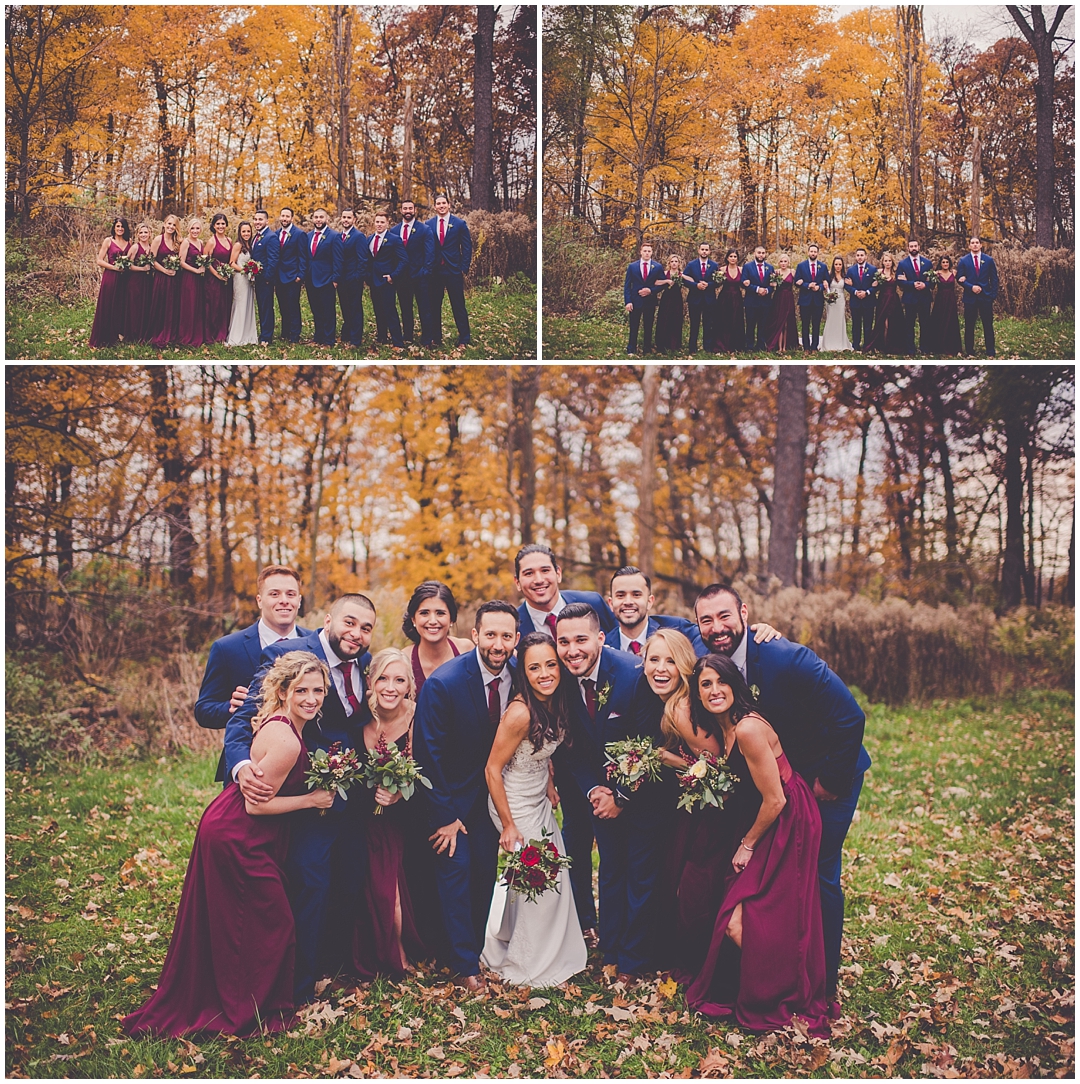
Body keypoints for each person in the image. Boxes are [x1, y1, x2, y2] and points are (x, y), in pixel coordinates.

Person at [123, 651, 336, 1037]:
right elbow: (257, 806)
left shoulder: (283, 721)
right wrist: (311, 799)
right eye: (302, 689)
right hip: (239, 834)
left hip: (236, 826)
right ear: (285, 691)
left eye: (318, 690)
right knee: (274, 921)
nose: (311, 697)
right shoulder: (286, 738)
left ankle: (241, 997)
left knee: (244, 920)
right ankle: (244, 1007)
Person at [693, 583, 869, 1011]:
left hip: (827, 777)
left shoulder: (785, 657)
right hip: (779, 781)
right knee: (782, 880)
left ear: (745, 613)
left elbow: (851, 717)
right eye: (706, 620)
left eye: (725, 616)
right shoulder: (710, 659)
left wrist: (830, 780)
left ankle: (822, 986)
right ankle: (778, 970)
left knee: (819, 874)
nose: (717, 627)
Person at [227, 594, 376, 1003]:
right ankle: (295, 987)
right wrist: (241, 768)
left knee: (348, 883)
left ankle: (333, 966)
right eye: (349, 622)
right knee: (309, 885)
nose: (356, 633)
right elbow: (244, 721)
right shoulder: (288, 653)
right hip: (303, 797)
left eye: (366, 628)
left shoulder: (365, 662)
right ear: (328, 619)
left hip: (352, 798)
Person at [684, 653, 830, 1036]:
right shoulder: (726, 729)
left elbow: (776, 799)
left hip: (787, 820)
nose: (715, 690)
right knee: (747, 916)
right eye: (705, 685)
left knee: (751, 915)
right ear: (697, 695)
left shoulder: (747, 728)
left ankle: (786, 993)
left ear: (735, 684)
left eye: (721, 681)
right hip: (767, 817)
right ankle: (769, 986)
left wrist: (747, 844)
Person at [513, 544, 618, 948]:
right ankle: (583, 922)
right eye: (528, 573)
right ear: (518, 581)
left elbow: (621, 641)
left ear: (558, 572)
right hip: (561, 748)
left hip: (608, 736)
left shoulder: (590, 604)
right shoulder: (517, 623)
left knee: (611, 841)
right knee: (572, 838)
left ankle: (612, 924)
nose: (538, 579)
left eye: (545, 570)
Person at [412, 600, 519, 992]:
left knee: (483, 877)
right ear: (474, 636)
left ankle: (473, 948)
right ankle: (462, 965)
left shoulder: (521, 675)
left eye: (506, 636)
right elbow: (427, 754)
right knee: (455, 876)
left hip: (493, 798)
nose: (498, 643)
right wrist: (443, 814)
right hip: (451, 799)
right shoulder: (445, 683)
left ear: (516, 639)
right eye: (490, 634)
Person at [555, 603, 663, 984]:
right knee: (612, 872)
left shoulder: (633, 675)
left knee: (641, 876)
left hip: (646, 796)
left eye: (581, 639)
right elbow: (571, 747)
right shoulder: (563, 680)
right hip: (601, 796)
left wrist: (622, 796)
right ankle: (611, 949)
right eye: (564, 641)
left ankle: (635, 961)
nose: (572, 650)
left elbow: (651, 743)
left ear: (601, 638)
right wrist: (594, 792)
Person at [481, 631, 588, 987]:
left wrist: (550, 783)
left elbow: (538, 754)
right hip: (512, 804)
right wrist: (509, 825)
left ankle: (538, 947)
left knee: (543, 879)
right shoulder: (520, 713)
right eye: (534, 667)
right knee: (543, 880)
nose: (544, 673)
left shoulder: (555, 700)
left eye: (550, 664)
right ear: (523, 673)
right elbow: (492, 769)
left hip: (537, 798)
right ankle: (527, 963)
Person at [641, 629, 730, 979]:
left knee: (693, 886)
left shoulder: (681, 707)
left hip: (710, 813)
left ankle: (697, 964)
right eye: (653, 660)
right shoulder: (674, 701)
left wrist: (665, 757)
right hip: (690, 809)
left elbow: (718, 765)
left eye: (670, 661)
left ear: (684, 667)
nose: (661, 669)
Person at [353, 648, 431, 978]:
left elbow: (428, 770)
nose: (390, 687)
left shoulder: (417, 716)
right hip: (361, 819)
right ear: (370, 682)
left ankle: (400, 955)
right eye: (383, 678)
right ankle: (368, 951)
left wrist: (399, 792)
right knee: (364, 889)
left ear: (409, 686)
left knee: (392, 890)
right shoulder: (358, 719)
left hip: (405, 821)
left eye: (399, 680)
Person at [195, 564, 305, 782]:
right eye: (274, 594)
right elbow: (203, 710)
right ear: (259, 600)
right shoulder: (227, 648)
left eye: (290, 594)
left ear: (299, 600)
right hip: (248, 765)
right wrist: (229, 707)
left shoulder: (315, 644)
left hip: (304, 765)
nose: (284, 600)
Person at [402, 580, 474, 696]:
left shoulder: (466, 650)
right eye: (424, 613)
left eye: (440, 613)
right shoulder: (404, 660)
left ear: (452, 619)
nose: (433, 621)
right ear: (413, 619)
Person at [430, 193, 473, 347]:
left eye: (444, 203)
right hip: (435, 271)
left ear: (448, 205)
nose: (441, 206)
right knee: (434, 305)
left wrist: (464, 267)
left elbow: (467, 247)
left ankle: (464, 338)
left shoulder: (459, 224)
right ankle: (436, 338)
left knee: (458, 305)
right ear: (434, 206)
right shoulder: (428, 224)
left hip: (453, 270)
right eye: (438, 204)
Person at [392, 200, 436, 346]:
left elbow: (430, 253)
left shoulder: (424, 229)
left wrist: (425, 272)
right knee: (405, 308)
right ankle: (408, 335)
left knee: (424, 308)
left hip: (420, 276)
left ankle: (427, 338)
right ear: (401, 210)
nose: (408, 211)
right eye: (405, 208)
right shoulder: (394, 231)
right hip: (402, 278)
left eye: (410, 208)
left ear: (415, 210)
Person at [88, 217, 130, 348]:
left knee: (121, 305)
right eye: (118, 226)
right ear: (114, 227)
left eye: (122, 226)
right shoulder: (108, 241)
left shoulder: (129, 242)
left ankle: (118, 333)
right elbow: (99, 260)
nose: (120, 229)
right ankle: (104, 335)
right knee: (108, 304)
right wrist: (114, 267)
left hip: (125, 278)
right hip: (111, 276)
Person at [368, 211, 407, 349]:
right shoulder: (370, 239)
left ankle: (397, 341)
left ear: (387, 223)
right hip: (373, 280)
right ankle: (382, 337)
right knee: (378, 310)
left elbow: (403, 260)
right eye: (377, 222)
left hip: (387, 280)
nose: (379, 224)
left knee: (390, 310)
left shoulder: (394, 239)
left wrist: (393, 276)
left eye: (382, 222)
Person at [305, 208, 342, 346]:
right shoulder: (308, 236)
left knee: (328, 311)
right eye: (316, 217)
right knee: (316, 310)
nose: (318, 220)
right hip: (311, 279)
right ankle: (318, 338)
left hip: (327, 279)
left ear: (326, 219)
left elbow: (338, 259)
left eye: (321, 217)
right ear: (313, 219)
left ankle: (329, 340)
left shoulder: (334, 236)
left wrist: (335, 279)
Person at [956, 236, 998, 358]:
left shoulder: (988, 260)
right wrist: (970, 286)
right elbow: (959, 278)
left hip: (985, 297)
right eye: (972, 243)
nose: (975, 245)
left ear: (980, 245)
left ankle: (990, 351)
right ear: (969, 246)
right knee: (969, 324)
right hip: (970, 297)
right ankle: (970, 351)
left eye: (977, 243)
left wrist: (992, 295)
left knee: (988, 324)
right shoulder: (963, 261)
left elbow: (994, 279)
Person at [623, 242, 663, 355]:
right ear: (641, 252)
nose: (647, 253)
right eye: (645, 251)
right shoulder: (632, 266)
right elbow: (627, 286)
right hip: (635, 301)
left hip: (650, 301)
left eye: (649, 251)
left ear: (652, 252)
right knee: (634, 325)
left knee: (648, 325)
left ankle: (647, 349)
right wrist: (628, 301)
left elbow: (662, 284)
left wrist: (651, 290)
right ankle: (631, 349)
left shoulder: (657, 267)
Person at [275, 207, 308, 343]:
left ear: (292, 218)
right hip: (279, 277)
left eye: (287, 216)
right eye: (282, 216)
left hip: (293, 276)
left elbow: (303, 256)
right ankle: (285, 332)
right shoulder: (276, 234)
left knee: (293, 306)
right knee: (282, 306)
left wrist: (300, 275)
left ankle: (295, 335)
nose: (284, 218)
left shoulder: (299, 234)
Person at [149, 215, 183, 348]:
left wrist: (175, 268)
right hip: (161, 278)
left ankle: (171, 335)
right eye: (169, 224)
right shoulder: (158, 239)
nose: (171, 227)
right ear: (164, 224)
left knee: (172, 306)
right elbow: (152, 260)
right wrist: (164, 270)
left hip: (175, 279)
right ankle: (159, 334)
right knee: (161, 305)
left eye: (174, 225)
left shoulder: (177, 242)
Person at [896, 237, 934, 354]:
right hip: (910, 298)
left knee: (925, 323)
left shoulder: (927, 263)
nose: (913, 248)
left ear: (919, 247)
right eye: (911, 246)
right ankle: (910, 348)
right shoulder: (902, 264)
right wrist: (912, 284)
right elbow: (899, 281)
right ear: (908, 248)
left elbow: (933, 281)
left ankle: (925, 348)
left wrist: (925, 284)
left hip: (924, 297)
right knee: (909, 324)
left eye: (915, 246)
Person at [862, 252, 906, 354]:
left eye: (889, 261)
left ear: (892, 262)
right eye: (885, 261)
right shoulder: (879, 273)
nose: (887, 263)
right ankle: (883, 345)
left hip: (893, 300)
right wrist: (874, 284)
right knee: (883, 322)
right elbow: (872, 285)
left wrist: (905, 280)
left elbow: (902, 287)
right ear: (883, 262)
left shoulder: (895, 273)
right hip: (882, 300)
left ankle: (892, 345)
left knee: (893, 322)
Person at [337, 209, 367, 348]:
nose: (346, 220)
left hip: (354, 279)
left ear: (354, 220)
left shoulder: (358, 236)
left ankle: (356, 339)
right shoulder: (339, 236)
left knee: (355, 308)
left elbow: (363, 259)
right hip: (342, 279)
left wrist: (357, 277)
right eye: (344, 217)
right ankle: (347, 333)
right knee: (345, 307)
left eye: (349, 217)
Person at [226, 221, 259, 346]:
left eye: (248, 231)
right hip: (240, 278)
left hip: (248, 279)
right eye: (243, 231)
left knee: (248, 304)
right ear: (239, 232)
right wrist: (246, 270)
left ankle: (248, 334)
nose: (246, 233)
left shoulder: (249, 245)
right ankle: (237, 336)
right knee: (240, 304)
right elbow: (231, 263)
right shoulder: (238, 245)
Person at [250, 209, 281, 344]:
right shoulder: (256, 236)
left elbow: (273, 260)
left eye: (260, 219)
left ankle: (266, 337)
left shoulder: (271, 237)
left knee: (267, 307)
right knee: (261, 307)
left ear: (266, 221)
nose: (257, 222)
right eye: (255, 219)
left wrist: (268, 278)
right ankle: (262, 332)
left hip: (265, 279)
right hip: (257, 278)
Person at [203, 213, 234, 344]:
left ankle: (224, 333)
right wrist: (217, 275)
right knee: (214, 306)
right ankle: (213, 334)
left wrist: (227, 274)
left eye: (223, 223)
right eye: (218, 224)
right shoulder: (211, 242)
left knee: (225, 305)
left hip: (227, 279)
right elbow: (206, 262)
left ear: (226, 225)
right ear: (214, 226)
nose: (221, 226)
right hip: (214, 279)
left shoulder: (229, 240)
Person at [176, 218, 207, 348]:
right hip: (188, 277)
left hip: (199, 279)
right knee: (189, 305)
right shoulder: (186, 242)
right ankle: (186, 335)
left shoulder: (200, 242)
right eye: (192, 228)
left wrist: (204, 267)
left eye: (197, 228)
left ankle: (196, 334)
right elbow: (181, 262)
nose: (195, 231)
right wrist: (195, 270)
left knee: (197, 305)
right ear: (188, 229)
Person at [682, 243, 718, 353]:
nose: (704, 251)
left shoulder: (714, 265)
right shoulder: (691, 265)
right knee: (694, 324)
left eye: (706, 250)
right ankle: (692, 347)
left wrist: (708, 285)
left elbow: (718, 281)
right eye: (702, 249)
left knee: (708, 324)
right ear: (698, 250)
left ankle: (708, 347)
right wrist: (696, 285)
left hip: (709, 299)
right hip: (694, 298)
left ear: (709, 252)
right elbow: (685, 280)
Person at [123, 223, 155, 344]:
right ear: (137, 234)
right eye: (141, 233)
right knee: (135, 307)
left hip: (148, 281)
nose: (143, 235)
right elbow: (128, 265)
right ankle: (133, 334)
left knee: (145, 306)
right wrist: (142, 269)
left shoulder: (152, 247)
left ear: (150, 234)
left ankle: (144, 334)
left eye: (146, 232)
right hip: (135, 281)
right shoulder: (135, 247)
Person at [927, 254, 962, 357]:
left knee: (951, 321)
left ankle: (952, 346)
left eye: (947, 262)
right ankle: (938, 347)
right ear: (940, 264)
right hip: (940, 299)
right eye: (943, 262)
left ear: (949, 263)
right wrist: (931, 277)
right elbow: (932, 287)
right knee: (940, 320)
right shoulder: (937, 274)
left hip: (951, 299)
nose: (945, 264)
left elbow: (962, 281)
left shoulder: (954, 273)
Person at [794, 243, 826, 351]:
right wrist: (807, 285)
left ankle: (814, 346)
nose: (813, 253)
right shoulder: (801, 266)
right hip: (805, 300)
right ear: (808, 252)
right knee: (805, 324)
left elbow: (827, 281)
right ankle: (806, 347)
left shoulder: (823, 266)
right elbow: (796, 282)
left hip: (818, 300)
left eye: (815, 251)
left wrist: (819, 287)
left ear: (817, 253)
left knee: (816, 324)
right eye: (811, 251)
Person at [741, 246, 774, 351]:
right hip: (751, 301)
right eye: (759, 252)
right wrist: (757, 289)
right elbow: (744, 282)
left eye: (763, 253)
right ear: (754, 253)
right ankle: (749, 346)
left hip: (765, 301)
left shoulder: (770, 267)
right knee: (750, 324)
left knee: (763, 325)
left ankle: (761, 345)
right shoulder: (747, 267)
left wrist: (767, 290)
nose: (761, 255)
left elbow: (773, 284)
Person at [844, 247, 877, 350]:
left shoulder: (873, 269)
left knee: (868, 325)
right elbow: (847, 285)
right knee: (856, 325)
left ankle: (867, 345)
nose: (860, 257)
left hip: (868, 301)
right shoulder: (851, 270)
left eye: (862, 255)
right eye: (858, 255)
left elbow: (876, 285)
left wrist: (867, 292)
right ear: (855, 257)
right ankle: (856, 345)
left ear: (866, 256)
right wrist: (855, 291)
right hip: (855, 301)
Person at [713, 248, 744, 352]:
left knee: (736, 320)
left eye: (735, 256)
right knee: (724, 320)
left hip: (737, 298)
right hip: (724, 298)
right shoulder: (721, 270)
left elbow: (744, 284)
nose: (733, 258)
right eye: (731, 256)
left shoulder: (741, 270)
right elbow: (717, 284)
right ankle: (722, 344)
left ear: (738, 258)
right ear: (727, 257)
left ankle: (736, 345)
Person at [765, 254, 798, 352]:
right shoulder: (776, 272)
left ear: (788, 262)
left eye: (785, 261)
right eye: (781, 261)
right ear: (779, 263)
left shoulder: (792, 272)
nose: (783, 263)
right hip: (778, 299)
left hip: (789, 298)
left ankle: (785, 346)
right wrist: (772, 284)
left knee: (787, 323)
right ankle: (779, 347)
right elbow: (769, 284)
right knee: (779, 322)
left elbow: (800, 282)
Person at [654, 254, 685, 353]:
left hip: (677, 299)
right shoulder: (665, 273)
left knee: (676, 320)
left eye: (676, 261)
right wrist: (666, 281)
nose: (674, 263)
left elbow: (691, 280)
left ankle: (674, 344)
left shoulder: (681, 274)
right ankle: (662, 344)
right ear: (669, 263)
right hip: (666, 299)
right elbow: (655, 282)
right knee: (664, 319)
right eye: (672, 261)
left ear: (679, 263)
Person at [820, 255, 852, 352]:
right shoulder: (829, 276)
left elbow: (848, 287)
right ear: (833, 265)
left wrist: (851, 284)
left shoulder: (845, 276)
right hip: (831, 301)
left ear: (842, 266)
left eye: (840, 264)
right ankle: (828, 343)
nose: (838, 266)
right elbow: (824, 285)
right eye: (836, 264)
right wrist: (825, 285)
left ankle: (840, 342)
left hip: (841, 300)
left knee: (839, 320)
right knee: (831, 319)